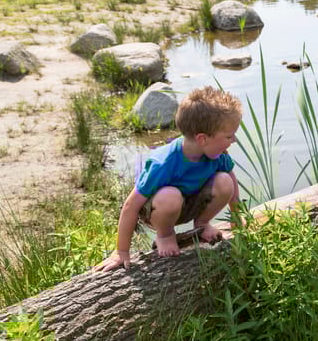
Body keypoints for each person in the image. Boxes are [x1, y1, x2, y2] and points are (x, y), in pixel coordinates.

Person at [95, 86, 242, 271]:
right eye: (229, 136)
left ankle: (202, 224)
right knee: (169, 195)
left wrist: (237, 218)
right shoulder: (163, 163)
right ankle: (164, 235)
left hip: (189, 201)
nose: (234, 140)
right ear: (203, 139)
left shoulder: (217, 154)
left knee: (225, 181)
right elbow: (130, 207)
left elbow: (232, 183)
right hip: (159, 209)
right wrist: (121, 252)